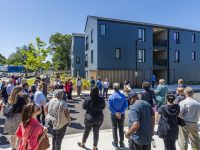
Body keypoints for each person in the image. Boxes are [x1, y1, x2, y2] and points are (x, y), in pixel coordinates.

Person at [78, 86, 106, 150]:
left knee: (86, 131)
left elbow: (83, 107)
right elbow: (103, 107)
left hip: (89, 118)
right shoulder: (101, 99)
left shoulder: (88, 98)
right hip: (99, 118)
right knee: (96, 133)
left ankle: (83, 143)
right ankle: (95, 147)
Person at [4, 86, 26, 150]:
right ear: (18, 91)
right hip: (18, 118)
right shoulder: (21, 99)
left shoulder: (10, 98)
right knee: (19, 135)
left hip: (9, 118)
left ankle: (13, 148)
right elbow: (24, 109)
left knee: (12, 135)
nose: (22, 92)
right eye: (21, 91)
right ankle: (17, 148)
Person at [108, 82, 128, 149]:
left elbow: (110, 107)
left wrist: (116, 113)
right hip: (121, 115)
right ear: (119, 88)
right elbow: (126, 105)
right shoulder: (123, 96)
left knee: (114, 128)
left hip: (114, 115)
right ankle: (121, 143)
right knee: (121, 128)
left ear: (113, 88)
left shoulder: (111, 97)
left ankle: (116, 143)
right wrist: (120, 112)